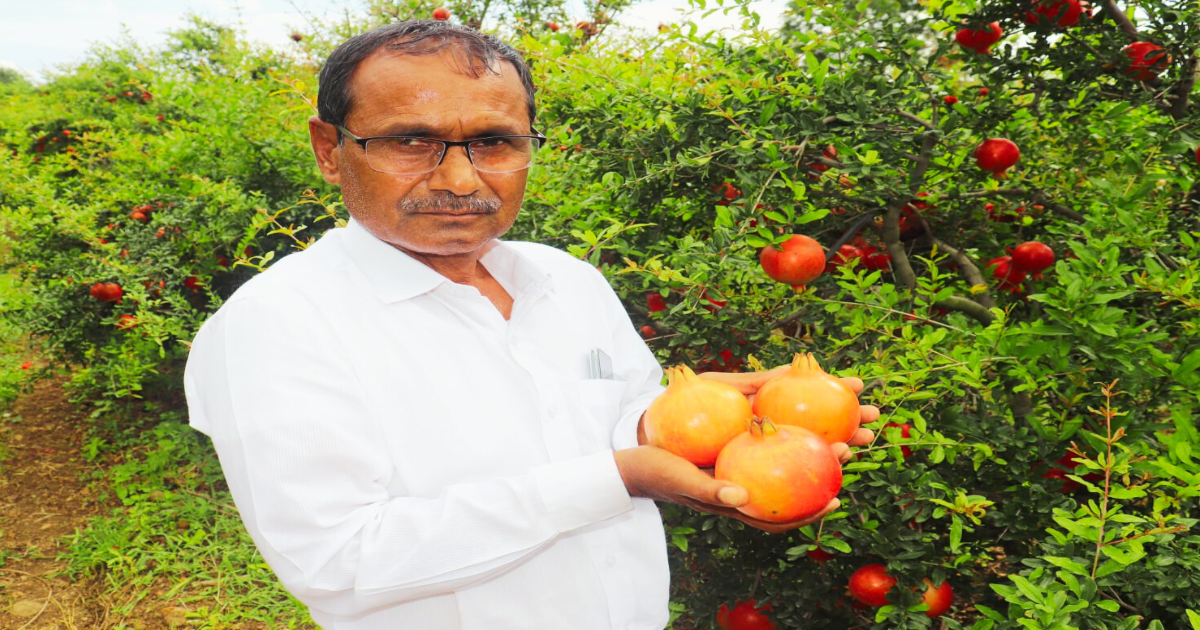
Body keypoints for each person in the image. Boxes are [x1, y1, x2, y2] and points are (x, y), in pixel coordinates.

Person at [182, 20, 878, 630]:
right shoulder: (275, 327)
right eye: (411, 142)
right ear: (329, 150)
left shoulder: (567, 280)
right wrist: (619, 477)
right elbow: (336, 560)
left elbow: (611, 407)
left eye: (493, 141)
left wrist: (680, 425)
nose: (459, 179)